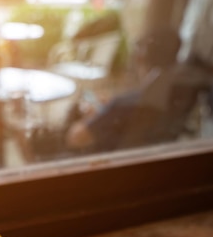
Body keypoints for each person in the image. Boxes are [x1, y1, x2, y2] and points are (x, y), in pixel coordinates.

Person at [64, 27, 211, 153]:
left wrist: (92, 116)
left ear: (141, 57)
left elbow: (75, 138)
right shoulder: (177, 96)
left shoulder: (123, 104)